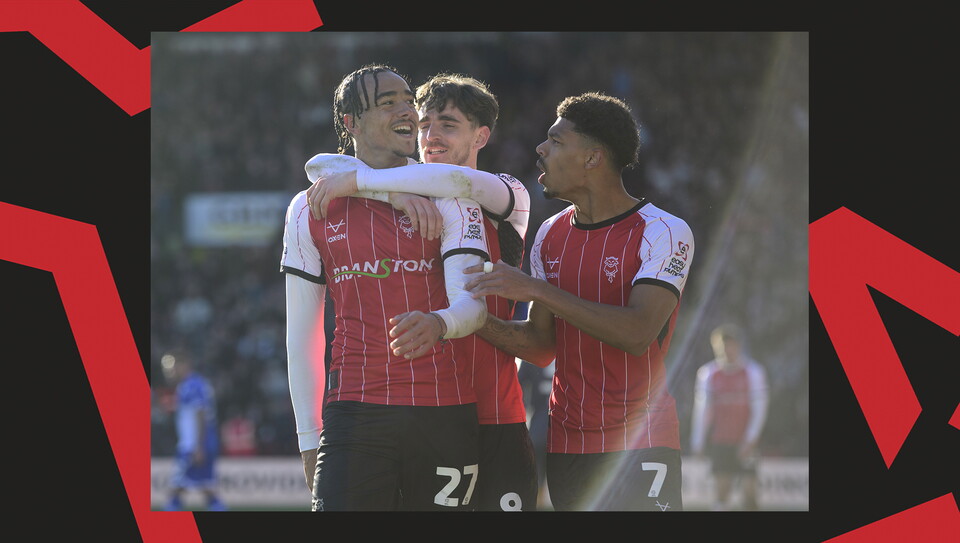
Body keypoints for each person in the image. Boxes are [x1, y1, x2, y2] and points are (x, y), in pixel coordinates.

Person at [305, 73, 538, 511]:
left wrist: (362, 183)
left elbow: (457, 183)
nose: (430, 136)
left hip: (496, 416)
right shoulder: (405, 193)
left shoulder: (507, 193)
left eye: (448, 125)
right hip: (430, 411)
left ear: (481, 136)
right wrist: (392, 192)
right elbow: (318, 165)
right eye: (425, 124)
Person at [463, 92, 695, 512]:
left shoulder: (664, 231)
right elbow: (541, 346)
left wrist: (537, 290)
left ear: (592, 158)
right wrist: (469, 318)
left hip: (641, 441)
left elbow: (637, 333)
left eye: (556, 141)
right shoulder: (549, 233)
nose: (540, 148)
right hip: (567, 443)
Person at [690, 323, 769, 510]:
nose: (727, 351)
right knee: (722, 491)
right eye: (722, 347)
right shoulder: (707, 374)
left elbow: (760, 409)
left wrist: (750, 439)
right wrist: (697, 441)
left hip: (746, 440)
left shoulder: (754, 372)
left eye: (731, 346)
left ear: (738, 346)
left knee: (749, 492)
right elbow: (703, 409)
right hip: (721, 440)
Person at [161, 348, 227, 511]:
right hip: (197, 443)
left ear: (184, 365)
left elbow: (200, 414)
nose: (171, 372)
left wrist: (199, 446)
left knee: (176, 489)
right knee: (206, 488)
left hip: (193, 445)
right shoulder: (191, 385)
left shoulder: (192, 385)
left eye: (173, 367)